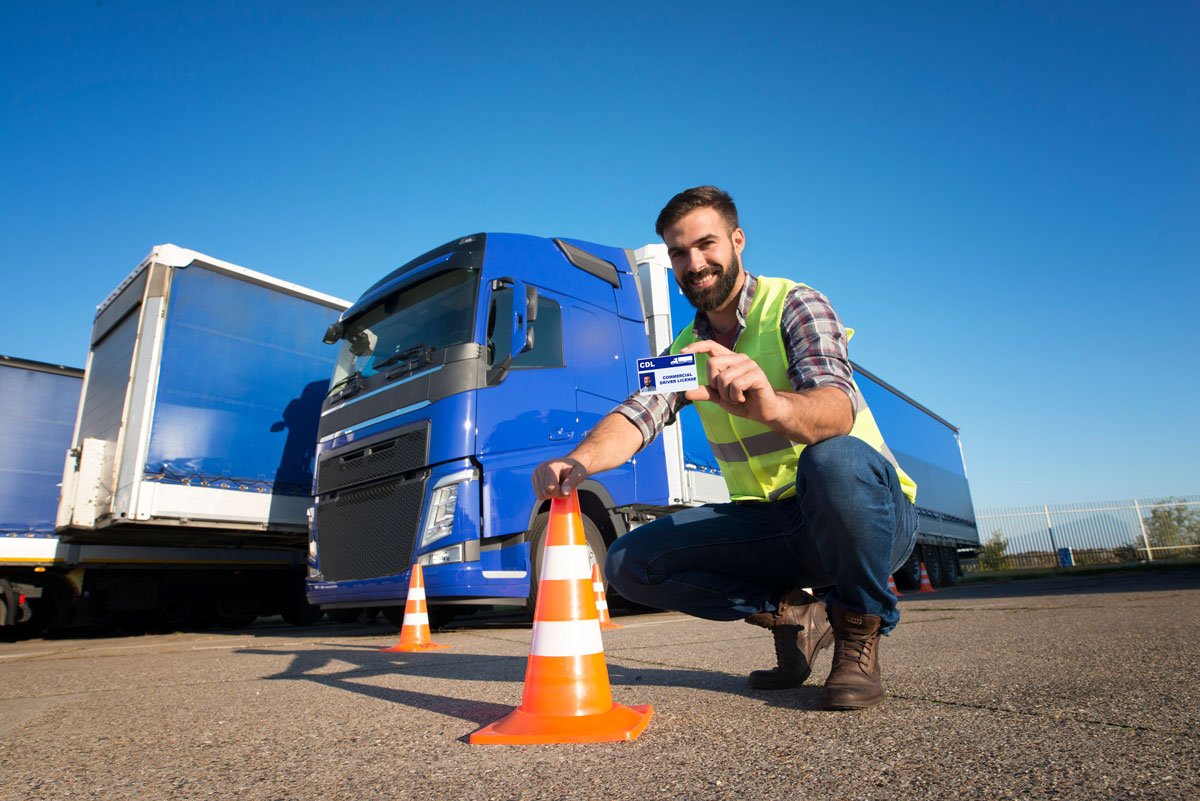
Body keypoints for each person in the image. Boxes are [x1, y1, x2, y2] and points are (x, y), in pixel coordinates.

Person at [530, 186, 917, 710]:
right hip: (771, 525)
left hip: (864, 518)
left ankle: (857, 630)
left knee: (834, 459)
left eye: (706, 244)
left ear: (737, 241)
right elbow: (637, 415)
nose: (695, 262)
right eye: (678, 252)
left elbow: (836, 407)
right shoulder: (686, 351)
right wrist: (577, 461)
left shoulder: (796, 304)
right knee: (628, 563)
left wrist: (774, 407)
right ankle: (793, 614)